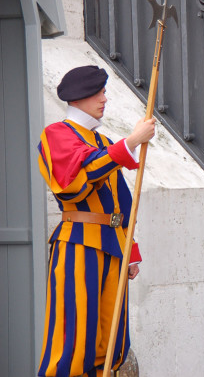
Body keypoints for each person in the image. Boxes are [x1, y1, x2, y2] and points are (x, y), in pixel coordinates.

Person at [37, 65, 156, 377]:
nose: (105, 98)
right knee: (73, 339)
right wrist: (129, 143)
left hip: (113, 246)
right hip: (79, 242)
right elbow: (75, 181)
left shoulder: (101, 141)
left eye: (103, 91)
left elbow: (120, 201)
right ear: (78, 98)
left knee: (111, 338)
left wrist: (130, 252)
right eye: (98, 92)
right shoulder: (55, 134)